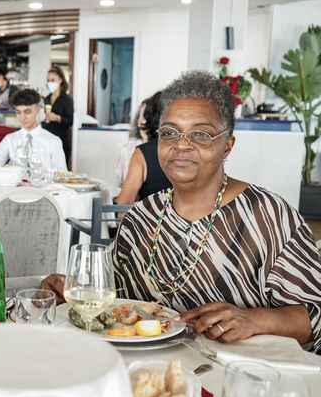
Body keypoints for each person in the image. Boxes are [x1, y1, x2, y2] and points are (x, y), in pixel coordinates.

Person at [42, 70, 321, 353]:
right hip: (146, 373)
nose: (181, 145)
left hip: (242, 379)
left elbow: (315, 315)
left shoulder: (270, 217)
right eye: (169, 133)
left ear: (228, 145)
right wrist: (73, 293)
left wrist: (254, 319)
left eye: (201, 134)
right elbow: (114, 299)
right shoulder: (141, 218)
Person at [0, 88, 67, 172]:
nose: (22, 117)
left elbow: (62, 175)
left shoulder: (53, 141)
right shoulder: (10, 140)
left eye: (27, 112)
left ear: (38, 109)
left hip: (45, 184)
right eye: (18, 112)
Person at [116, 91, 171, 204]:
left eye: (145, 115)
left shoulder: (143, 153)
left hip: (152, 219)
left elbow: (123, 203)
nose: (141, 121)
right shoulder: (195, 150)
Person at [42, 66, 74, 169]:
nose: (50, 83)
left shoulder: (67, 100)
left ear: (60, 80)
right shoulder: (46, 99)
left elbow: (70, 120)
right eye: (48, 80)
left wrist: (57, 118)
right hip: (47, 139)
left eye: (52, 80)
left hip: (62, 139)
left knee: (60, 170)